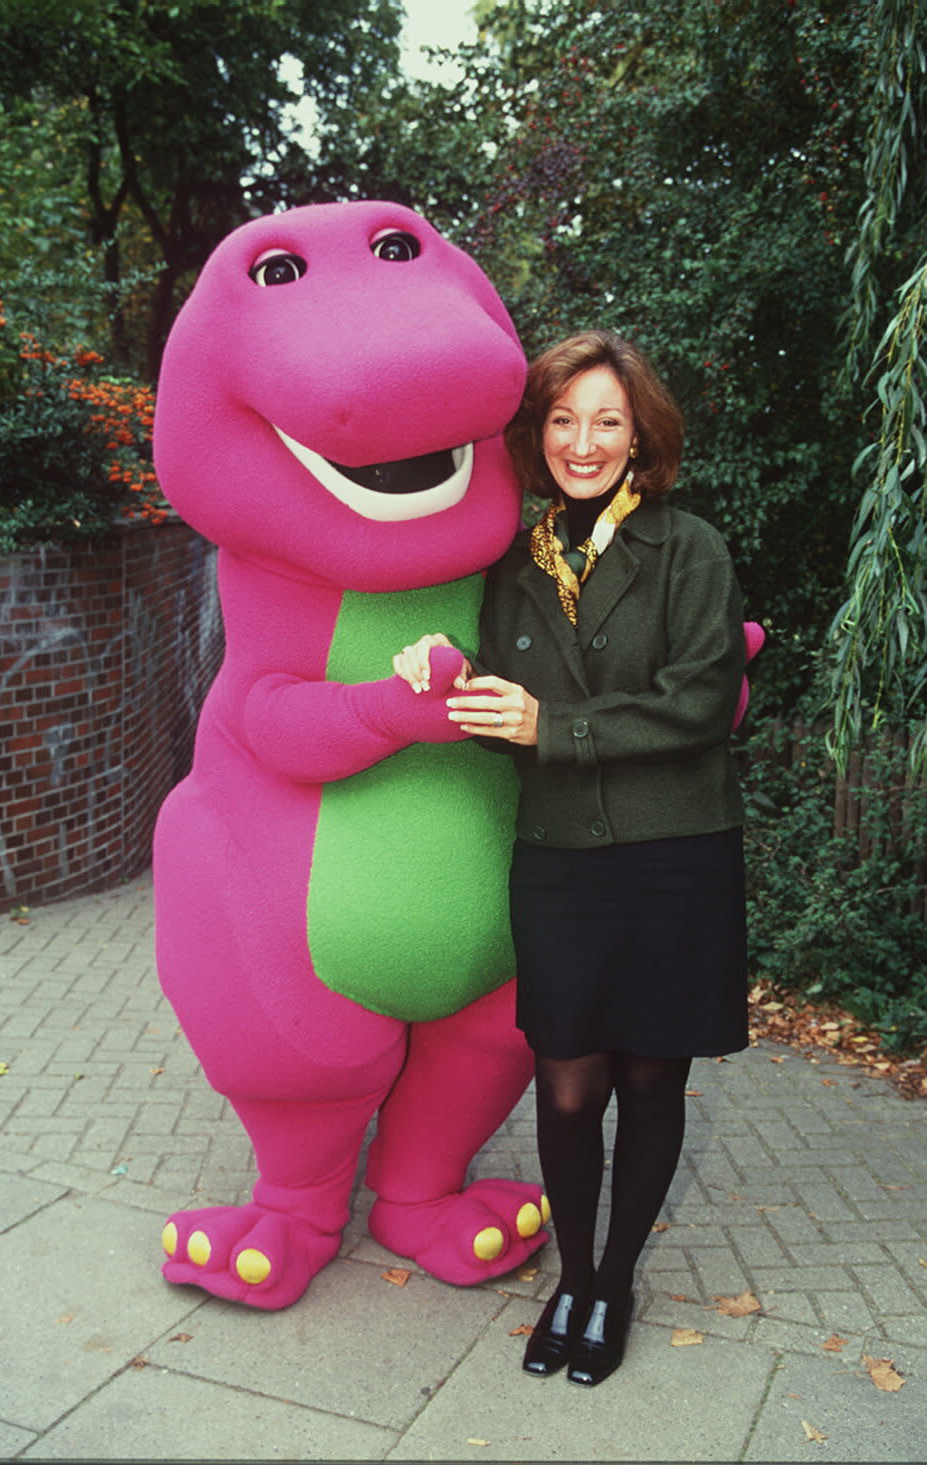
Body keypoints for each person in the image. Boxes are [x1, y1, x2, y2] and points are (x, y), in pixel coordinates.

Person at [392, 330, 751, 1387]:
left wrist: (551, 724)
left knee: (648, 1077)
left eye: (604, 419)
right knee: (563, 1087)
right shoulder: (509, 564)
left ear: (639, 434)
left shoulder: (691, 551)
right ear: (534, 431)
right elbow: (470, 671)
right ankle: (573, 1272)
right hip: (557, 857)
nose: (580, 440)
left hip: (673, 852)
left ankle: (614, 1282)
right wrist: (431, 654)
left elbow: (697, 704)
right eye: (561, 418)